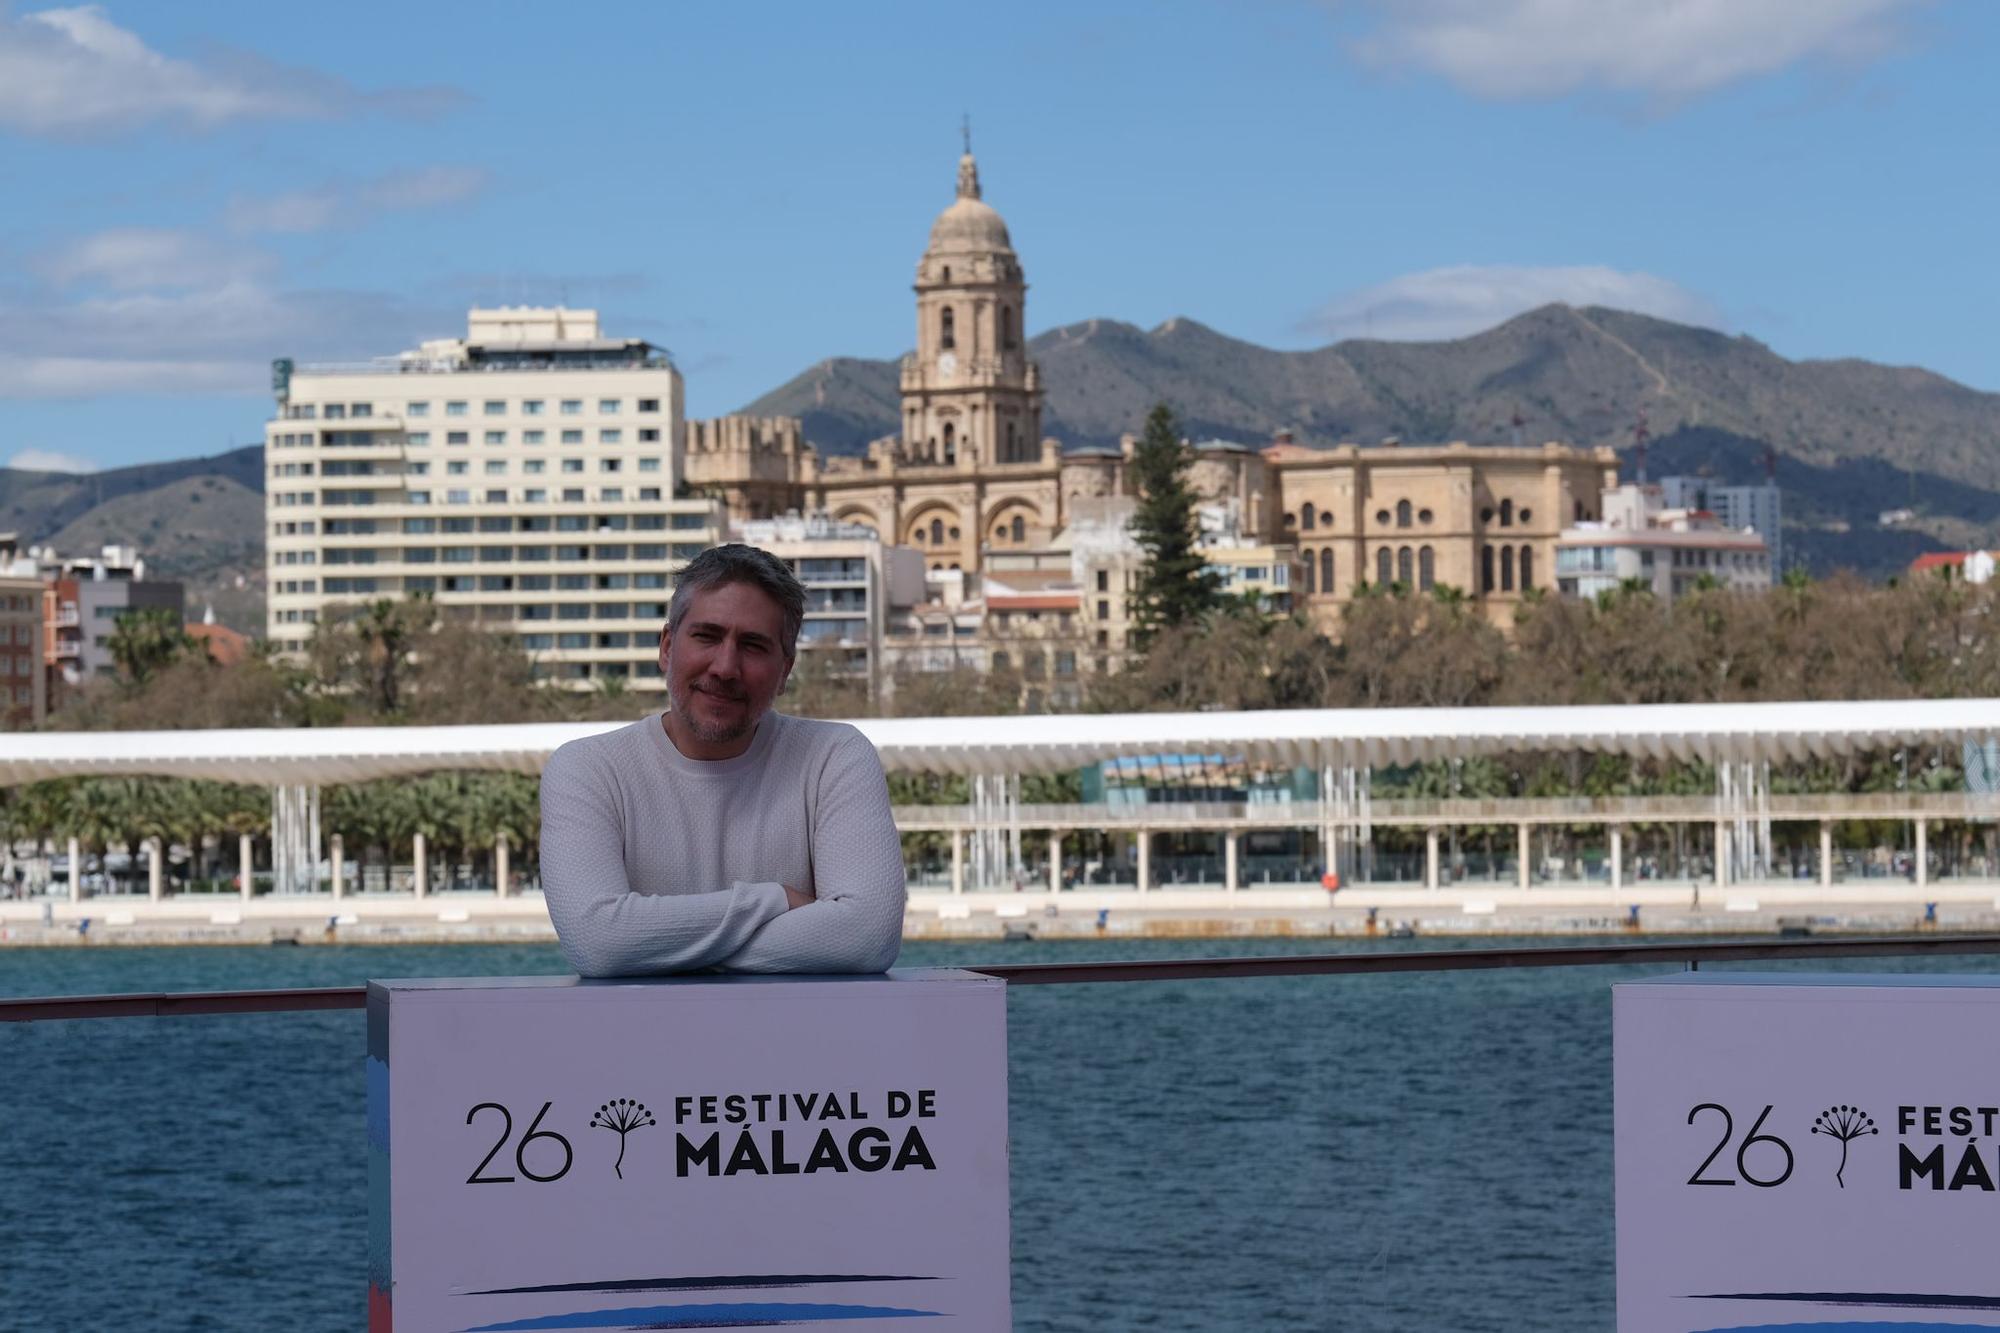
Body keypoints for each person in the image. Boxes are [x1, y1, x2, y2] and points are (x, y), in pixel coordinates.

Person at [539, 544, 905, 976]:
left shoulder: (834, 758)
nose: (726, 667)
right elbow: (597, 943)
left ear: (785, 670)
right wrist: (774, 900)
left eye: (752, 645)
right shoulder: (588, 770)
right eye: (707, 637)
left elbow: (867, 937)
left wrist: (655, 949)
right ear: (666, 647)